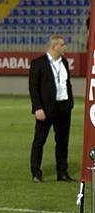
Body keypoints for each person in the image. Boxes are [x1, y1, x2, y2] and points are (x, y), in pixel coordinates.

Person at [29, 35, 75, 183]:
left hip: (64, 107)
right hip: (46, 108)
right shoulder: (38, 63)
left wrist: (70, 104)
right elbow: (33, 87)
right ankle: (36, 173)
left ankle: (62, 173)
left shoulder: (65, 63)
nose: (65, 47)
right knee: (39, 141)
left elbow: (67, 84)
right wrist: (37, 108)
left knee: (62, 142)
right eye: (63, 44)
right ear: (54, 46)